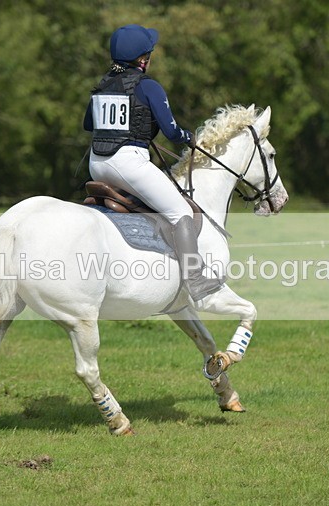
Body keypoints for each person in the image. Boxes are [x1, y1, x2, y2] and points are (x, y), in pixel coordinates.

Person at [83, 24, 223, 301]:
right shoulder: (148, 86)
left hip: (96, 163)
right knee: (181, 212)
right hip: (127, 164)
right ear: (143, 59)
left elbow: (89, 124)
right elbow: (171, 131)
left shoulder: (102, 86)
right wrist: (187, 137)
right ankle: (195, 280)